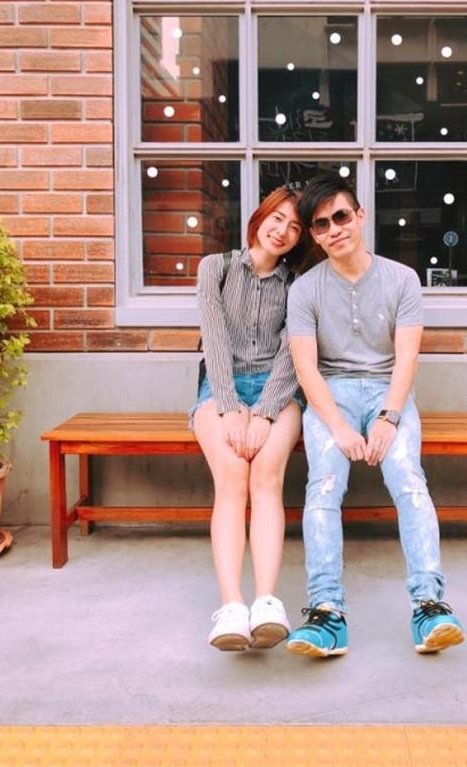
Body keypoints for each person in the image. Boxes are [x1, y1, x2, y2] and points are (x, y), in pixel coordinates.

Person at [285, 177, 465, 657]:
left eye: (341, 216)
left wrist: (388, 417)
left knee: (408, 478)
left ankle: (430, 606)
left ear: (360, 216)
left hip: (389, 390)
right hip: (331, 394)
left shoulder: (401, 279)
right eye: (321, 225)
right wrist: (339, 427)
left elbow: (406, 357)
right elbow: (306, 368)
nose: (334, 229)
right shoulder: (304, 289)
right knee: (324, 484)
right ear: (314, 235)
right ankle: (327, 614)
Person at [191, 186, 305, 651]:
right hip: (221, 387)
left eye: (295, 227)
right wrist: (231, 406)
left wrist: (265, 411)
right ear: (260, 217)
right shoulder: (214, 268)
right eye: (277, 218)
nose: (283, 231)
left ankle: (266, 602)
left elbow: (293, 352)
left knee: (266, 476)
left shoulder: (299, 285)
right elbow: (214, 340)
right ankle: (232, 606)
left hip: (279, 391)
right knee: (233, 474)